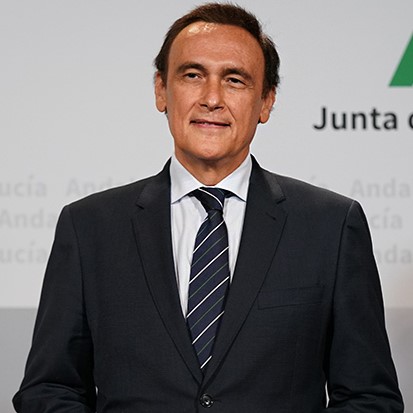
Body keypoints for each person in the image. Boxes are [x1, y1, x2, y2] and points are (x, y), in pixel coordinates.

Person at [13, 3, 403, 412]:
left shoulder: (331, 226)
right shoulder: (88, 227)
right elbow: (49, 389)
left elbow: (369, 398)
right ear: (161, 90)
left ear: (266, 102)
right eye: (193, 75)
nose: (212, 99)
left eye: (234, 80)